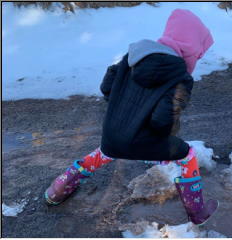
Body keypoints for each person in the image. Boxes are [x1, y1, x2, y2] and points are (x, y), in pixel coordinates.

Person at [44, 9, 218, 225]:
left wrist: (124, 111)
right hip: (141, 142)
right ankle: (196, 212)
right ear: (191, 46)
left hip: (113, 134)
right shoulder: (180, 77)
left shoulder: (134, 56)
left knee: (108, 150)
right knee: (187, 154)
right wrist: (163, 136)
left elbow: (107, 87)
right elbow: (162, 121)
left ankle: (57, 189)